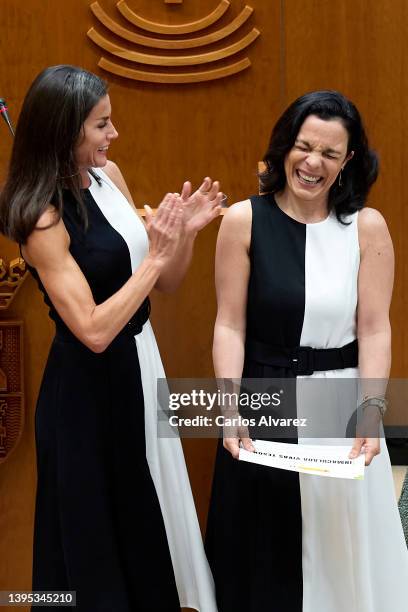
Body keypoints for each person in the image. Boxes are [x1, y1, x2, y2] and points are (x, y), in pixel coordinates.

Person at [0, 65, 221, 611]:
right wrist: (159, 255)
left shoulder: (109, 176)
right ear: (64, 130)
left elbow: (164, 281)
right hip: (86, 390)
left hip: (142, 363)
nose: (113, 136)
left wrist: (183, 238)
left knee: (147, 513)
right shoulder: (40, 217)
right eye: (101, 125)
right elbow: (95, 331)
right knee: (91, 535)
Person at [205, 91, 408, 611]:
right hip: (262, 400)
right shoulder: (243, 221)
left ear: (348, 163)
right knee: (261, 554)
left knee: (338, 557)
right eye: (304, 146)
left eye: (330, 153)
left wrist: (373, 409)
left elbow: (376, 329)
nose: (313, 162)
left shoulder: (367, 227)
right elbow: (229, 324)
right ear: (284, 148)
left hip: (339, 405)